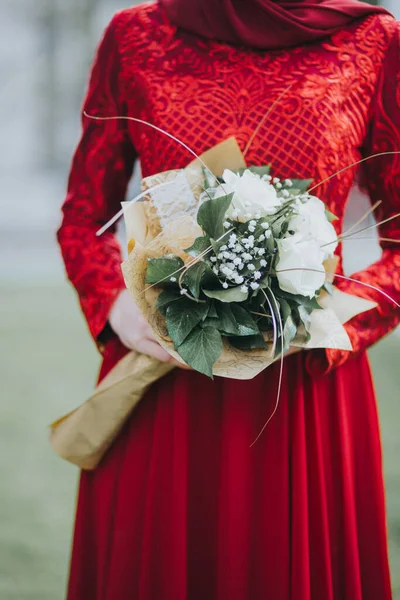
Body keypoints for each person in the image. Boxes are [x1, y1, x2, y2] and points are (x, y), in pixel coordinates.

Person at [58, 1, 400, 598]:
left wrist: (326, 322)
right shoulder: (135, 35)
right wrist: (114, 305)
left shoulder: (374, 39)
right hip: (163, 377)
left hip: (304, 389)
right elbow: (85, 213)